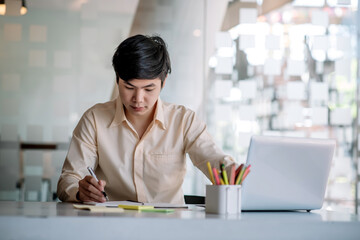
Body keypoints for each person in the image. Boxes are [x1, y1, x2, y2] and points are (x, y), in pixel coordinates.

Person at [57, 34, 236, 204]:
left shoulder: (183, 121)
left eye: (149, 89)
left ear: (163, 82)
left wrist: (237, 176)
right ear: (118, 79)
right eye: (129, 87)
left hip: (168, 228)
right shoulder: (95, 120)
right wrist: (81, 193)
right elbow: (69, 179)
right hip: (112, 225)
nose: (138, 98)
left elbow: (216, 163)